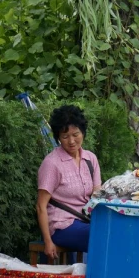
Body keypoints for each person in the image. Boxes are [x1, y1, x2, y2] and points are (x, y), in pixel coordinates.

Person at [36, 105, 102, 263]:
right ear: (58, 137)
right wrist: (48, 242)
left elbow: (97, 193)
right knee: (100, 237)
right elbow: (40, 206)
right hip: (61, 225)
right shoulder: (52, 163)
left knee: (116, 231)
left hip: (85, 221)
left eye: (76, 134)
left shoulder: (90, 159)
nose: (71, 141)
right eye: (65, 136)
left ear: (83, 133)